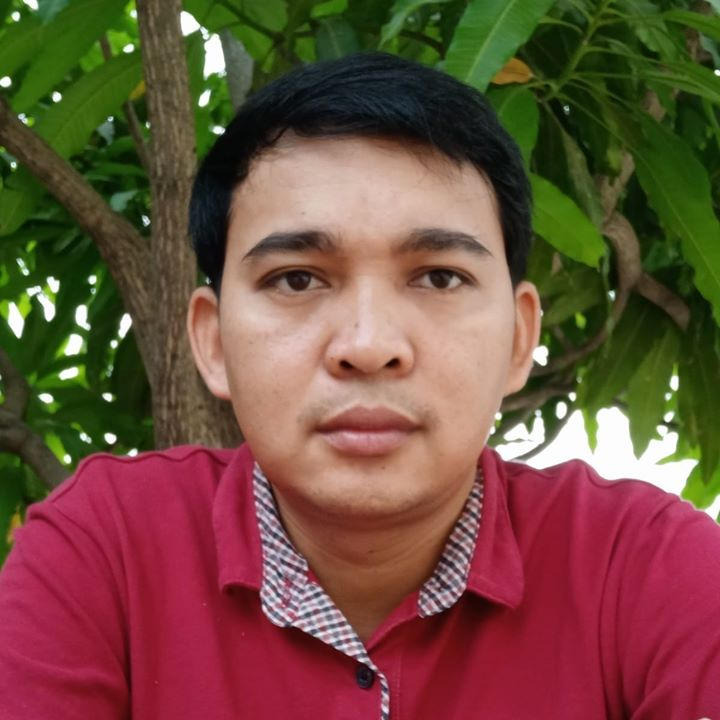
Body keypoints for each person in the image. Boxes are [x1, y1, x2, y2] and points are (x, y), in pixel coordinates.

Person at [1, 52, 719, 720]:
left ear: (519, 338)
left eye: (440, 277)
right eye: (297, 280)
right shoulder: (103, 553)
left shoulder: (647, 568)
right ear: (213, 342)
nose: (369, 347)